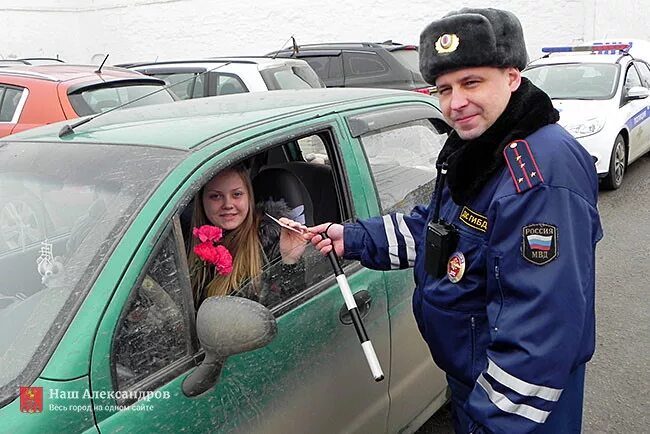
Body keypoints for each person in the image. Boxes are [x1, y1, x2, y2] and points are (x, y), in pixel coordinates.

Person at [306, 8, 602, 434]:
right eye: (444, 89)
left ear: (512, 77)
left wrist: (492, 423)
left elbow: (543, 328)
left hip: (518, 407)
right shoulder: (483, 147)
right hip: (475, 380)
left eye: (471, 83)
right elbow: (440, 232)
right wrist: (350, 238)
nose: (455, 103)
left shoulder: (538, 172)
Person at [188, 164, 307, 307]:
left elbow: (291, 308)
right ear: (201, 201)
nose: (228, 204)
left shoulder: (271, 242)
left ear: (249, 198)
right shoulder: (183, 241)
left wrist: (290, 261)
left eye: (237, 194)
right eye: (215, 196)